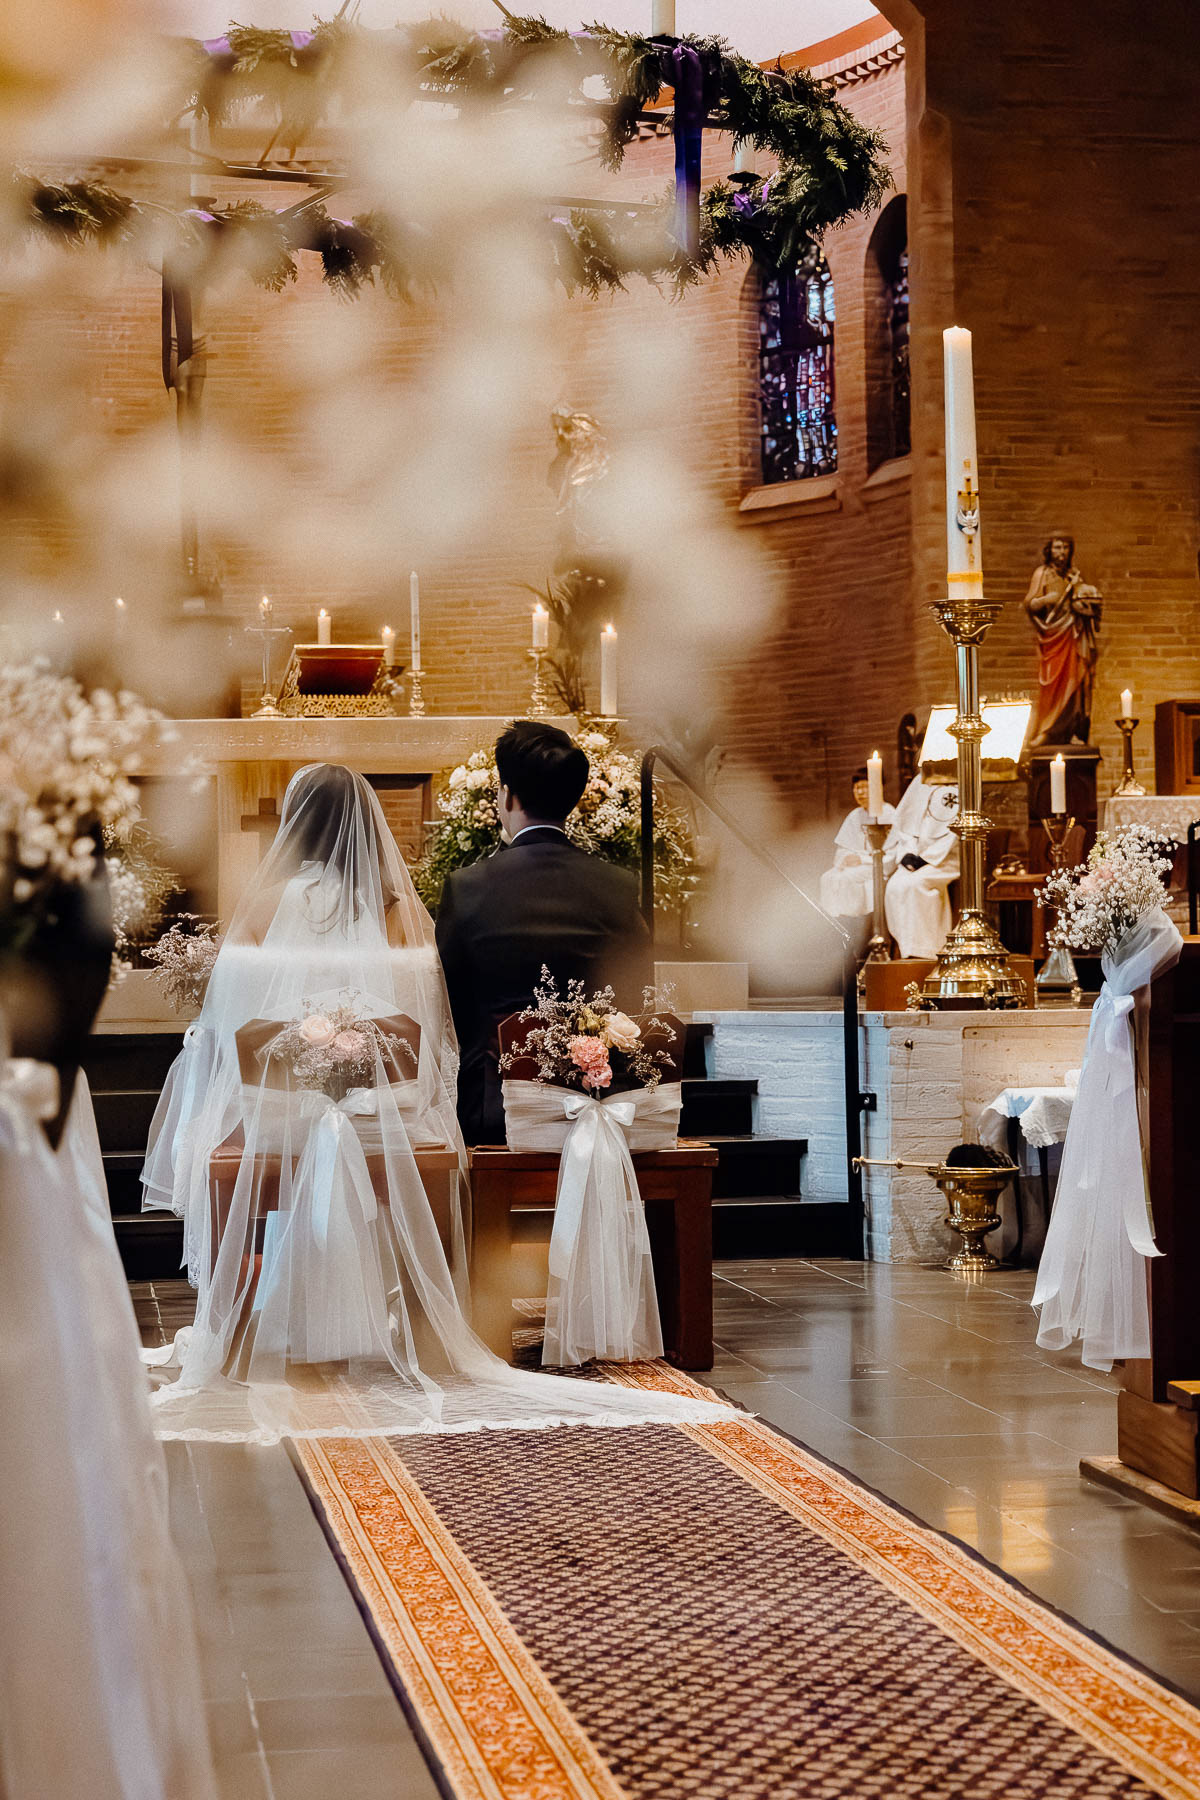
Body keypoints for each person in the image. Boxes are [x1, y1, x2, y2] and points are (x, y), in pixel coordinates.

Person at [141, 762, 724, 1441]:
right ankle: (412, 1321)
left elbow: (228, 1033)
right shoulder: (394, 911)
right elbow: (429, 1034)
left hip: (281, 1115)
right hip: (378, 1116)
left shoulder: (264, 905)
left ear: (294, 827)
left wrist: (294, 1070)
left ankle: (247, 1324)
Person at [436, 720, 651, 1145]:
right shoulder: (618, 885)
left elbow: (449, 1004)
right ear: (571, 799)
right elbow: (637, 995)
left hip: (494, 1109)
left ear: (507, 795)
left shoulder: (467, 888)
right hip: (596, 1099)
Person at [1024, 532, 1102, 746]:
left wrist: (1084, 602)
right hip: (1052, 635)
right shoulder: (1043, 573)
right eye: (1058, 547)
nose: (1062, 552)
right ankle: (1047, 730)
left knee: (1075, 682)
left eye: (1066, 548)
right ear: (1050, 550)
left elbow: (1084, 600)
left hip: (1073, 634)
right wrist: (1046, 599)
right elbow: (1030, 605)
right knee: (1051, 685)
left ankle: (1074, 731)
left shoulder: (1074, 576)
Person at [884, 778, 960, 959]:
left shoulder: (957, 786)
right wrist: (909, 854)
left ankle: (929, 951)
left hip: (946, 860)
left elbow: (954, 833)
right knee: (895, 885)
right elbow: (905, 824)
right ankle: (906, 948)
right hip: (916, 856)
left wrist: (928, 858)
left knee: (917, 884)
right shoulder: (921, 781)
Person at [818, 767, 897, 920]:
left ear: (877, 787)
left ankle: (853, 923)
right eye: (856, 788)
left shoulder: (890, 814)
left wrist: (863, 860)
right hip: (855, 866)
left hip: (876, 866)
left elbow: (894, 853)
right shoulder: (855, 816)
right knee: (827, 878)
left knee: (845, 879)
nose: (859, 793)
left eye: (864, 787)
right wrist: (846, 857)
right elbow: (842, 848)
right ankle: (831, 923)